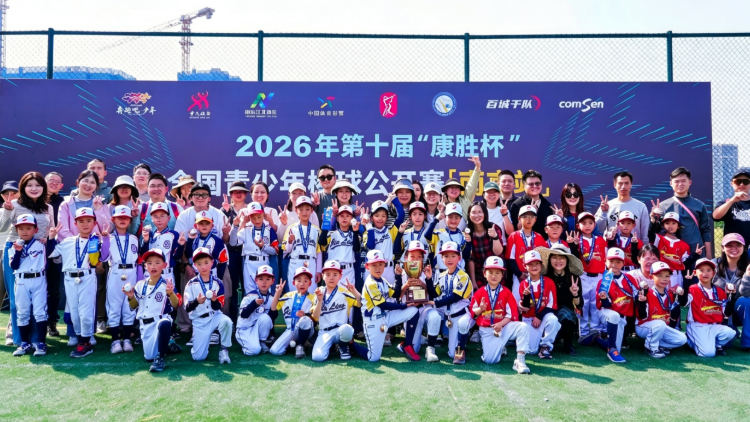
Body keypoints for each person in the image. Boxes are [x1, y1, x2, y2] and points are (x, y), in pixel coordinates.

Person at [48, 207, 111, 358]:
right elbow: (50, 253)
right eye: (81, 221)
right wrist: (51, 238)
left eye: (89, 220)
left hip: (87, 277)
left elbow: (105, 257)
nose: (85, 224)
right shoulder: (67, 241)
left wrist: (106, 240)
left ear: (94, 223)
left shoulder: (96, 241)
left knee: (86, 312)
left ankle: (85, 342)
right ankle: (81, 339)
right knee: (74, 312)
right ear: (75, 224)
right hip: (70, 278)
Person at [1, 173, 53, 346]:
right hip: (15, 249)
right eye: (29, 185)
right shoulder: (14, 204)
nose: (34, 188)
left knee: (37, 300)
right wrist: (7, 211)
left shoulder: (48, 207)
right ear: (23, 187)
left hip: (38, 252)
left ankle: (37, 339)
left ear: (43, 188)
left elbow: (51, 229)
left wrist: (47, 237)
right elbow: (2, 228)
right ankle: (19, 339)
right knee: (16, 299)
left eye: (38, 185)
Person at [352, 249, 420, 362]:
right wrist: (403, 306)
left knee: (413, 311)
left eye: (380, 264)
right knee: (373, 357)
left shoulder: (382, 280)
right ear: (367, 266)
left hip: (386, 317)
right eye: (374, 265)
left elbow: (396, 293)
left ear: (384, 265)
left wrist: (398, 276)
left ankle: (407, 344)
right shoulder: (370, 283)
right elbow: (383, 304)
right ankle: (351, 345)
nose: (378, 268)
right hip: (373, 322)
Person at [469, 256, 530, 373]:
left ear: (502, 275)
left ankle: (520, 360)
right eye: (490, 272)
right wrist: (480, 309)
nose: (494, 275)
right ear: (484, 273)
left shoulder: (507, 292)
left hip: (504, 327)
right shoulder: (479, 292)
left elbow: (512, 314)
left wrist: (501, 324)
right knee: (490, 360)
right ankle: (500, 347)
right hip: (487, 330)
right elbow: (472, 313)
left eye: (498, 273)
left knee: (523, 327)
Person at [124, 248, 182, 372]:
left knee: (165, 322)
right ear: (145, 266)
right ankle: (168, 344)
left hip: (160, 321)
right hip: (145, 325)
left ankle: (160, 358)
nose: (153, 266)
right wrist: (130, 297)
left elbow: (176, 304)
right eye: (149, 263)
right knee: (149, 357)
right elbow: (134, 307)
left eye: (157, 262)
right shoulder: (140, 284)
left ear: (164, 265)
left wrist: (170, 293)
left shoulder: (167, 284)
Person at [8, 214, 49, 357]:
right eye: (21, 228)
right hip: (21, 280)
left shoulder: (42, 244)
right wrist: (18, 251)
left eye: (28, 228)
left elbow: (50, 256)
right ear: (16, 230)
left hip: (39, 279)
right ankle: (24, 343)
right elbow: (14, 265)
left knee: (40, 312)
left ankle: (41, 343)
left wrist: (50, 239)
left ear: (35, 229)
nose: (24, 231)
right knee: (22, 312)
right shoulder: (13, 246)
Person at [183, 247, 232, 364]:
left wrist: (214, 300)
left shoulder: (217, 282)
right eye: (199, 264)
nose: (203, 266)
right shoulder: (191, 284)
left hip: (214, 316)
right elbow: (187, 307)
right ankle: (201, 339)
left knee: (227, 321)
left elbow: (218, 306)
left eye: (206, 262)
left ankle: (224, 349)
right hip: (199, 321)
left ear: (212, 262)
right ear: (194, 265)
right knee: (198, 357)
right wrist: (196, 301)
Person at [685, 258, 737, 357]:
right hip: (697, 325)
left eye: (709, 270)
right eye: (701, 270)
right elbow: (683, 303)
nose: (705, 273)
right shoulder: (692, 289)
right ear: (695, 273)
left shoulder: (720, 291)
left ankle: (717, 345)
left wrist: (732, 296)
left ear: (714, 273)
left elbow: (726, 314)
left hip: (714, 325)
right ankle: (690, 341)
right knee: (708, 353)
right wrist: (686, 283)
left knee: (730, 333)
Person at [656, 167, 713, 259]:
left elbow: (705, 230)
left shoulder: (699, 205)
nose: (680, 184)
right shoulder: (663, 206)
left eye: (683, 181)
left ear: (689, 182)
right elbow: (657, 232)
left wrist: (709, 254)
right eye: (676, 181)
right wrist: (653, 218)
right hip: (671, 253)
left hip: (696, 251)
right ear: (671, 183)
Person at [537, 244, 584, 355]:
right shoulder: (544, 278)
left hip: (566, 313)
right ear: (550, 259)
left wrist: (575, 294)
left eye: (561, 257)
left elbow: (579, 305)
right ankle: (553, 339)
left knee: (567, 314)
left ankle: (568, 343)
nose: (558, 261)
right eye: (554, 257)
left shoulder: (574, 278)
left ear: (567, 260)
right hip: (547, 311)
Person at [311, 260, 362, 361]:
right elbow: (315, 317)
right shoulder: (318, 292)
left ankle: (343, 346)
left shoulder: (344, 292)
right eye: (328, 274)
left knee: (347, 328)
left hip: (340, 331)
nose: (331, 277)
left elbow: (361, 303)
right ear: (322, 276)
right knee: (317, 358)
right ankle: (332, 346)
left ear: (340, 276)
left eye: (335, 274)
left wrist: (354, 291)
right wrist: (320, 301)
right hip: (324, 332)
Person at [105, 206, 139, 354]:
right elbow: (103, 258)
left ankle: (126, 339)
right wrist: (104, 239)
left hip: (131, 272)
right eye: (120, 217)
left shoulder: (134, 239)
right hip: (116, 271)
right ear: (113, 220)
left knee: (129, 307)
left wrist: (139, 279)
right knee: (114, 306)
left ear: (130, 220)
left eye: (126, 218)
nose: (123, 220)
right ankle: (115, 340)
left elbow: (139, 260)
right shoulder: (109, 237)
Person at [636, 261, 688, 358]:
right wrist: (642, 302)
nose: (664, 279)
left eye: (667, 276)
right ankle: (650, 347)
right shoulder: (647, 293)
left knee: (682, 339)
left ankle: (659, 344)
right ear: (651, 277)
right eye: (660, 275)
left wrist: (678, 298)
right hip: (644, 327)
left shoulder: (671, 295)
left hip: (661, 327)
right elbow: (642, 317)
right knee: (660, 324)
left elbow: (674, 317)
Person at [595, 248, 639, 363]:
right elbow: (605, 305)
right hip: (606, 311)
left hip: (622, 316)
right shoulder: (604, 280)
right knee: (614, 316)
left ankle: (596, 339)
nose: (614, 264)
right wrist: (604, 298)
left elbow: (636, 296)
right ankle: (611, 350)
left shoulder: (629, 278)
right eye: (611, 261)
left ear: (623, 263)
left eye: (618, 262)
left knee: (616, 346)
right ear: (605, 261)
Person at [229, 201, 278, 298]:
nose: (256, 220)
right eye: (253, 217)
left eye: (259, 216)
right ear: (248, 217)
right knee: (250, 293)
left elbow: (275, 251)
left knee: (265, 292)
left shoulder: (269, 229)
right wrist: (235, 227)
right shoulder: (246, 229)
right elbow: (233, 243)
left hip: (264, 263)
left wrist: (263, 247)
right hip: (249, 263)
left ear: (263, 215)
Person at [518, 250, 561, 359]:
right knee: (531, 351)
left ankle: (546, 346)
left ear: (541, 265)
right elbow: (526, 308)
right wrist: (526, 296)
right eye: (530, 264)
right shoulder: (523, 284)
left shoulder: (549, 282)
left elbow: (553, 306)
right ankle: (537, 340)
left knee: (553, 319)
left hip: (543, 317)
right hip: (529, 319)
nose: (534, 267)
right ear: (525, 266)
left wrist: (539, 316)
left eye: (537, 263)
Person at [574, 211, 607, 342]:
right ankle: (583, 330)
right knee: (583, 304)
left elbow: (606, 258)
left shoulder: (600, 240)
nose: (587, 225)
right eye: (584, 223)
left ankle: (595, 329)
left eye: (590, 223)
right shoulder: (577, 240)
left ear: (594, 225)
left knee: (595, 303)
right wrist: (574, 244)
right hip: (583, 276)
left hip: (598, 276)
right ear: (578, 225)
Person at [648, 211, 702, 289]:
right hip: (661, 274)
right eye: (667, 223)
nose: (670, 226)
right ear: (663, 225)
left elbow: (685, 264)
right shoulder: (659, 239)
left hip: (677, 275)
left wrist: (695, 255)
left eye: (673, 223)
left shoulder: (684, 245)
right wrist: (653, 221)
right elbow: (650, 235)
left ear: (678, 226)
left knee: (677, 295)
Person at [269, 267, 315, 358]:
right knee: (275, 351)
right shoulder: (287, 296)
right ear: (293, 283)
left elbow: (316, 320)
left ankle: (300, 345)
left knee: (305, 320)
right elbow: (273, 309)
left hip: (308, 329)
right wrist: (277, 293)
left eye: (305, 281)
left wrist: (305, 315)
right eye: (299, 280)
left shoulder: (313, 298)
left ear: (310, 283)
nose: (302, 284)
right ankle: (295, 343)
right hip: (291, 330)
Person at [222, 180, 250, 323]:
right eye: (235, 192)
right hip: (231, 253)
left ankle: (247, 319)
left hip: (248, 253)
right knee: (232, 287)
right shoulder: (224, 210)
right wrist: (227, 212)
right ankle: (232, 320)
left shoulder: (251, 209)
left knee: (248, 287)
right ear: (231, 194)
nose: (238, 194)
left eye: (241, 192)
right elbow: (225, 237)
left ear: (246, 194)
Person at [505, 205, 546, 299]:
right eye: (525, 216)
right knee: (518, 301)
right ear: (519, 218)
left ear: (535, 219)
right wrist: (519, 274)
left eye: (532, 216)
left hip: (536, 275)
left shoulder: (539, 237)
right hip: (519, 276)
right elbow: (510, 258)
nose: (529, 219)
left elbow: (544, 258)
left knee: (535, 301)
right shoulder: (514, 236)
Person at [595, 172, 650, 240]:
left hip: (634, 245)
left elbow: (645, 233)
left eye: (626, 183)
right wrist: (603, 213)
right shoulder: (607, 206)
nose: (623, 186)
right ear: (615, 185)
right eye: (620, 183)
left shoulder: (641, 206)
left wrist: (644, 246)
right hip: (612, 245)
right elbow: (597, 229)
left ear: (631, 185)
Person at [362, 194, 404, 284]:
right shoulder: (368, 232)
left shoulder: (391, 230)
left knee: (389, 293)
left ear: (387, 218)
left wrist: (394, 199)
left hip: (388, 268)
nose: (380, 218)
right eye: (377, 215)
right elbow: (370, 246)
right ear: (372, 218)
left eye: (383, 216)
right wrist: (368, 226)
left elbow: (400, 216)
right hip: (373, 269)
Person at [57, 170, 110, 240]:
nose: (88, 185)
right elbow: (62, 231)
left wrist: (99, 211)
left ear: (96, 186)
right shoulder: (66, 204)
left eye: (92, 182)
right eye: (86, 181)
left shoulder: (101, 203)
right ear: (78, 182)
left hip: (95, 245)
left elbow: (106, 229)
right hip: (72, 245)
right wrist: (79, 243)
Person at [282, 196, 322, 286]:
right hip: (295, 262)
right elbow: (287, 250)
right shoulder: (291, 228)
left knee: (311, 292)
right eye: (301, 209)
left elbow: (319, 252)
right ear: (296, 211)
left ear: (312, 211)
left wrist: (319, 270)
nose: (304, 212)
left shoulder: (316, 230)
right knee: (294, 291)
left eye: (307, 209)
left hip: (311, 263)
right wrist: (289, 242)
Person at [319, 204, 361, 287]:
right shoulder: (331, 234)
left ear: (352, 219)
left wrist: (355, 232)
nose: (344, 218)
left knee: (348, 295)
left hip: (348, 271)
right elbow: (321, 242)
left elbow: (356, 249)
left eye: (347, 216)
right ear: (337, 218)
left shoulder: (354, 235)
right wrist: (326, 224)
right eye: (342, 216)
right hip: (333, 270)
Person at [44, 172, 65, 337]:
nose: (54, 183)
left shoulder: (63, 203)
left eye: (57, 182)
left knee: (54, 288)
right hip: (35, 247)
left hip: (55, 248)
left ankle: (52, 322)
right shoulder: (34, 200)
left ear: (61, 186)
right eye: (51, 180)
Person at [466, 201, 503, 289]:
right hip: (478, 273)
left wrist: (495, 237)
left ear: (485, 214)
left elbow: (498, 252)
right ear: (469, 215)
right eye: (473, 212)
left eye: (480, 212)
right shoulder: (467, 232)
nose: (477, 215)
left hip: (495, 270)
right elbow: (470, 259)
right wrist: (473, 281)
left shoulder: (493, 228)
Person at [0, 181, 19, 343]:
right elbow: (2, 228)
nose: (10, 196)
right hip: (2, 253)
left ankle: (12, 332)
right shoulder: (2, 210)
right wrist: (7, 211)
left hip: (13, 254)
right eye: (6, 193)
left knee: (15, 295)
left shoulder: (22, 209)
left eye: (13, 193)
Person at [509, 170, 553, 237]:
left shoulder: (547, 204)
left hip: (543, 243)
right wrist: (530, 212)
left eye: (537, 183)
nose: (535, 186)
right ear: (524, 186)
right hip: (524, 242)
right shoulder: (517, 205)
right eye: (531, 184)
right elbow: (516, 230)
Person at [713, 169, 750, 243]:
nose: (742, 184)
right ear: (732, 183)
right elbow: (716, 216)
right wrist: (732, 201)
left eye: (746, 181)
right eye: (738, 181)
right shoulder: (726, 202)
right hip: (733, 246)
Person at [441, 157, 481, 224]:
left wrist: (477, 167)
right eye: (451, 187)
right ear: (445, 190)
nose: (454, 189)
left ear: (460, 190)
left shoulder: (465, 200)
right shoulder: (441, 205)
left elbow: (471, 185)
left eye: (457, 187)